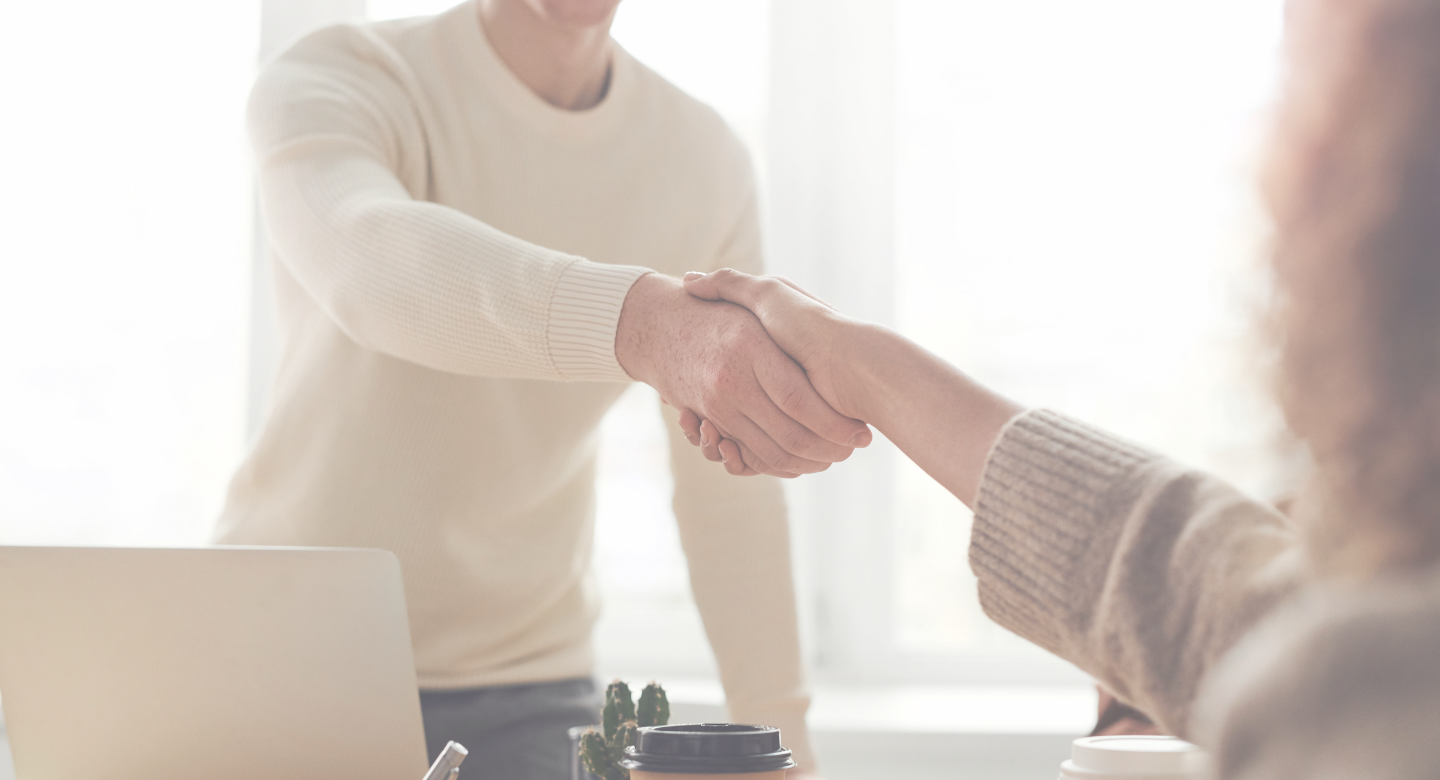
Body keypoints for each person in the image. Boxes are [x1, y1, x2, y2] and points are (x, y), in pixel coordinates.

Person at [675, 0, 1440, 775]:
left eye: (1308, 92)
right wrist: (866, 368)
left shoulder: (1359, 699)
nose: (1273, 161)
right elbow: (1230, 601)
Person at [217, 0, 864, 777]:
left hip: (528, 686)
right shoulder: (342, 75)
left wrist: (782, 738)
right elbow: (370, 264)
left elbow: (728, 491)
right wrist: (643, 326)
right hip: (280, 655)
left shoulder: (701, 158)